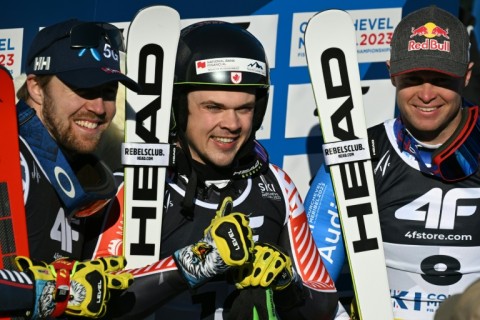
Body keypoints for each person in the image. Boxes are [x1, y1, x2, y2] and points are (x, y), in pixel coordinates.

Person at [102, 20, 339, 319]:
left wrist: (285, 282)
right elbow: (98, 301)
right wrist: (193, 264)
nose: (232, 124)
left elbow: (324, 305)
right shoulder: (136, 184)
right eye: (213, 107)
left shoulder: (274, 183)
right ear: (177, 107)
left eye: (244, 108)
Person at [305, 5, 480, 319]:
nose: (427, 95)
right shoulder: (358, 155)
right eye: (413, 78)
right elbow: (314, 282)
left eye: (441, 79)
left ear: (466, 75)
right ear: (391, 73)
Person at [0, 18, 140, 318]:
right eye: (83, 89)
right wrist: (55, 292)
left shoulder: (82, 178)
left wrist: (188, 265)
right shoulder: (11, 160)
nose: (99, 107)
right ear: (36, 88)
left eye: (108, 91)